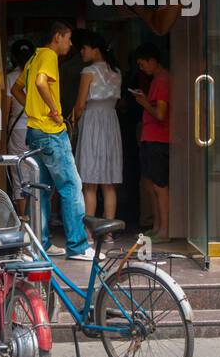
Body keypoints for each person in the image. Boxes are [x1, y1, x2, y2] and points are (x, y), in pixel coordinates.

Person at [11, 21, 95, 261]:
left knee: (43, 190)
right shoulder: (48, 55)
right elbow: (40, 82)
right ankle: (78, 246)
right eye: (68, 39)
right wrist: (53, 109)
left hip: (34, 131)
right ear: (57, 36)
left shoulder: (34, 56)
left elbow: (17, 90)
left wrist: (32, 107)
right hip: (50, 131)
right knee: (71, 186)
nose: (70, 44)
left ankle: (41, 243)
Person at [71, 32, 123, 238]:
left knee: (90, 182)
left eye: (84, 48)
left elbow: (80, 104)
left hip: (92, 122)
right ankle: (108, 232)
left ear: (95, 49)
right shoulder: (117, 72)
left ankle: (88, 232)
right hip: (111, 122)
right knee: (109, 183)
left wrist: (72, 120)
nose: (82, 52)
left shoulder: (88, 71)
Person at [131, 43, 170, 240]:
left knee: (159, 186)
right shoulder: (157, 79)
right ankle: (157, 226)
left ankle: (164, 229)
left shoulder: (163, 80)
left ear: (153, 60)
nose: (141, 67)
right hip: (151, 138)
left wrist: (144, 103)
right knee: (151, 185)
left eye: (142, 63)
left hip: (159, 139)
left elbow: (161, 114)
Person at [5, 37, 37, 195]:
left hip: (17, 129)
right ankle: (40, 215)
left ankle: (23, 215)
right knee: (38, 173)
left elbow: (6, 108)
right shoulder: (39, 76)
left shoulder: (11, 78)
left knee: (19, 172)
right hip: (37, 127)